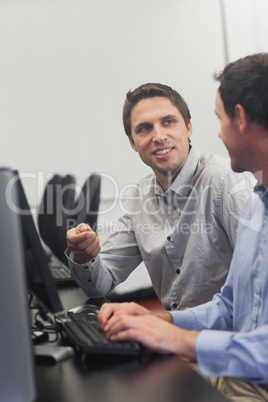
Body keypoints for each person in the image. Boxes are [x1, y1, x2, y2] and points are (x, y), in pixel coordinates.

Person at [97, 53, 268, 401]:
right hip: (233, 371)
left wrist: (184, 341)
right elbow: (230, 307)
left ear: (241, 119)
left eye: (220, 120)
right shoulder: (258, 203)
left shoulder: (230, 187)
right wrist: (162, 323)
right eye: (144, 128)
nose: (218, 135)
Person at [66, 83, 253, 310]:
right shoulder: (140, 197)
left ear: (188, 128)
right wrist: (85, 257)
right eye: (144, 128)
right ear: (133, 143)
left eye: (168, 122)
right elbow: (100, 284)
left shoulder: (226, 181)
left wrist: (165, 325)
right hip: (176, 335)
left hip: (228, 337)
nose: (159, 136)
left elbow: (259, 285)